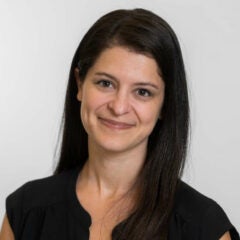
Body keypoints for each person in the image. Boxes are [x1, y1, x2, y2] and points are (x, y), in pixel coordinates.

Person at [0, 8, 239, 240]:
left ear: (165, 106)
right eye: (106, 83)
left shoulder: (203, 227)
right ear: (80, 84)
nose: (119, 106)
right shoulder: (26, 210)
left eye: (143, 92)